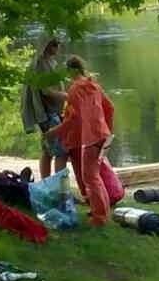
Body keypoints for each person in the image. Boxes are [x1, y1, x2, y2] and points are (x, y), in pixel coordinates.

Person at [51, 56, 115, 227]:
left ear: (72, 71)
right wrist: (108, 130)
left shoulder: (74, 90)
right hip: (103, 135)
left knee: (91, 177)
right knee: (93, 176)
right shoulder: (94, 85)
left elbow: (73, 118)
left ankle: (99, 218)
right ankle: (100, 211)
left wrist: (54, 132)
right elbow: (110, 108)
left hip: (92, 137)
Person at [19, 37, 68, 179]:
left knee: (47, 150)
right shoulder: (40, 64)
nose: (57, 46)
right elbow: (46, 91)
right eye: (54, 44)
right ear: (45, 46)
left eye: (58, 43)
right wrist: (68, 96)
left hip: (51, 112)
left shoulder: (49, 62)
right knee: (61, 151)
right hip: (47, 113)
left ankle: (46, 183)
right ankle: (60, 187)